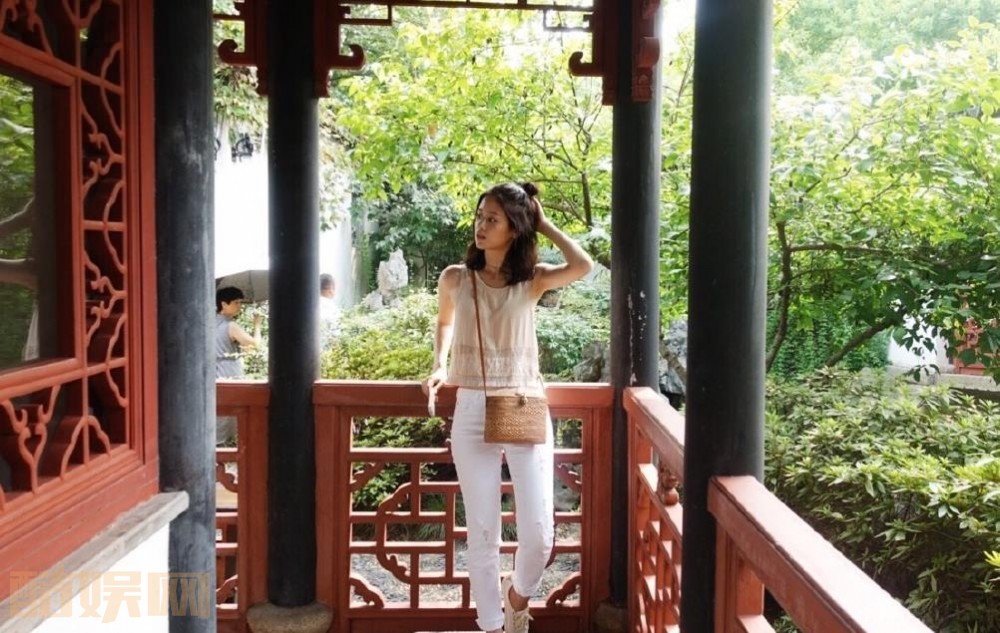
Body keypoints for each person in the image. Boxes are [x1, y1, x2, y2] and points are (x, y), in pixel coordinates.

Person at [422, 182, 593, 633]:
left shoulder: (531, 281)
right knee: (482, 532)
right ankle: (492, 626)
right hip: (471, 409)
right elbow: (444, 322)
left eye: (493, 219)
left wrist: (544, 223)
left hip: (522, 402)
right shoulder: (455, 278)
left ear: (514, 229)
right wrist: (439, 364)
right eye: (480, 216)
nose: (481, 225)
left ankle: (517, 596)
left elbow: (583, 265)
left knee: (539, 534)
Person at [215, 286, 263, 444]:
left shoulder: (210, 323)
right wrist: (257, 325)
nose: (239, 306)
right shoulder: (231, 326)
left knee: (218, 410)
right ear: (223, 304)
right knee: (231, 411)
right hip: (229, 371)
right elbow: (254, 344)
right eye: (235, 302)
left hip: (214, 371)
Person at [319, 273, 341, 348]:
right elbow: (335, 335)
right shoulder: (332, 308)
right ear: (330, 290)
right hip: (323, 349)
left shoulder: (307, 304)